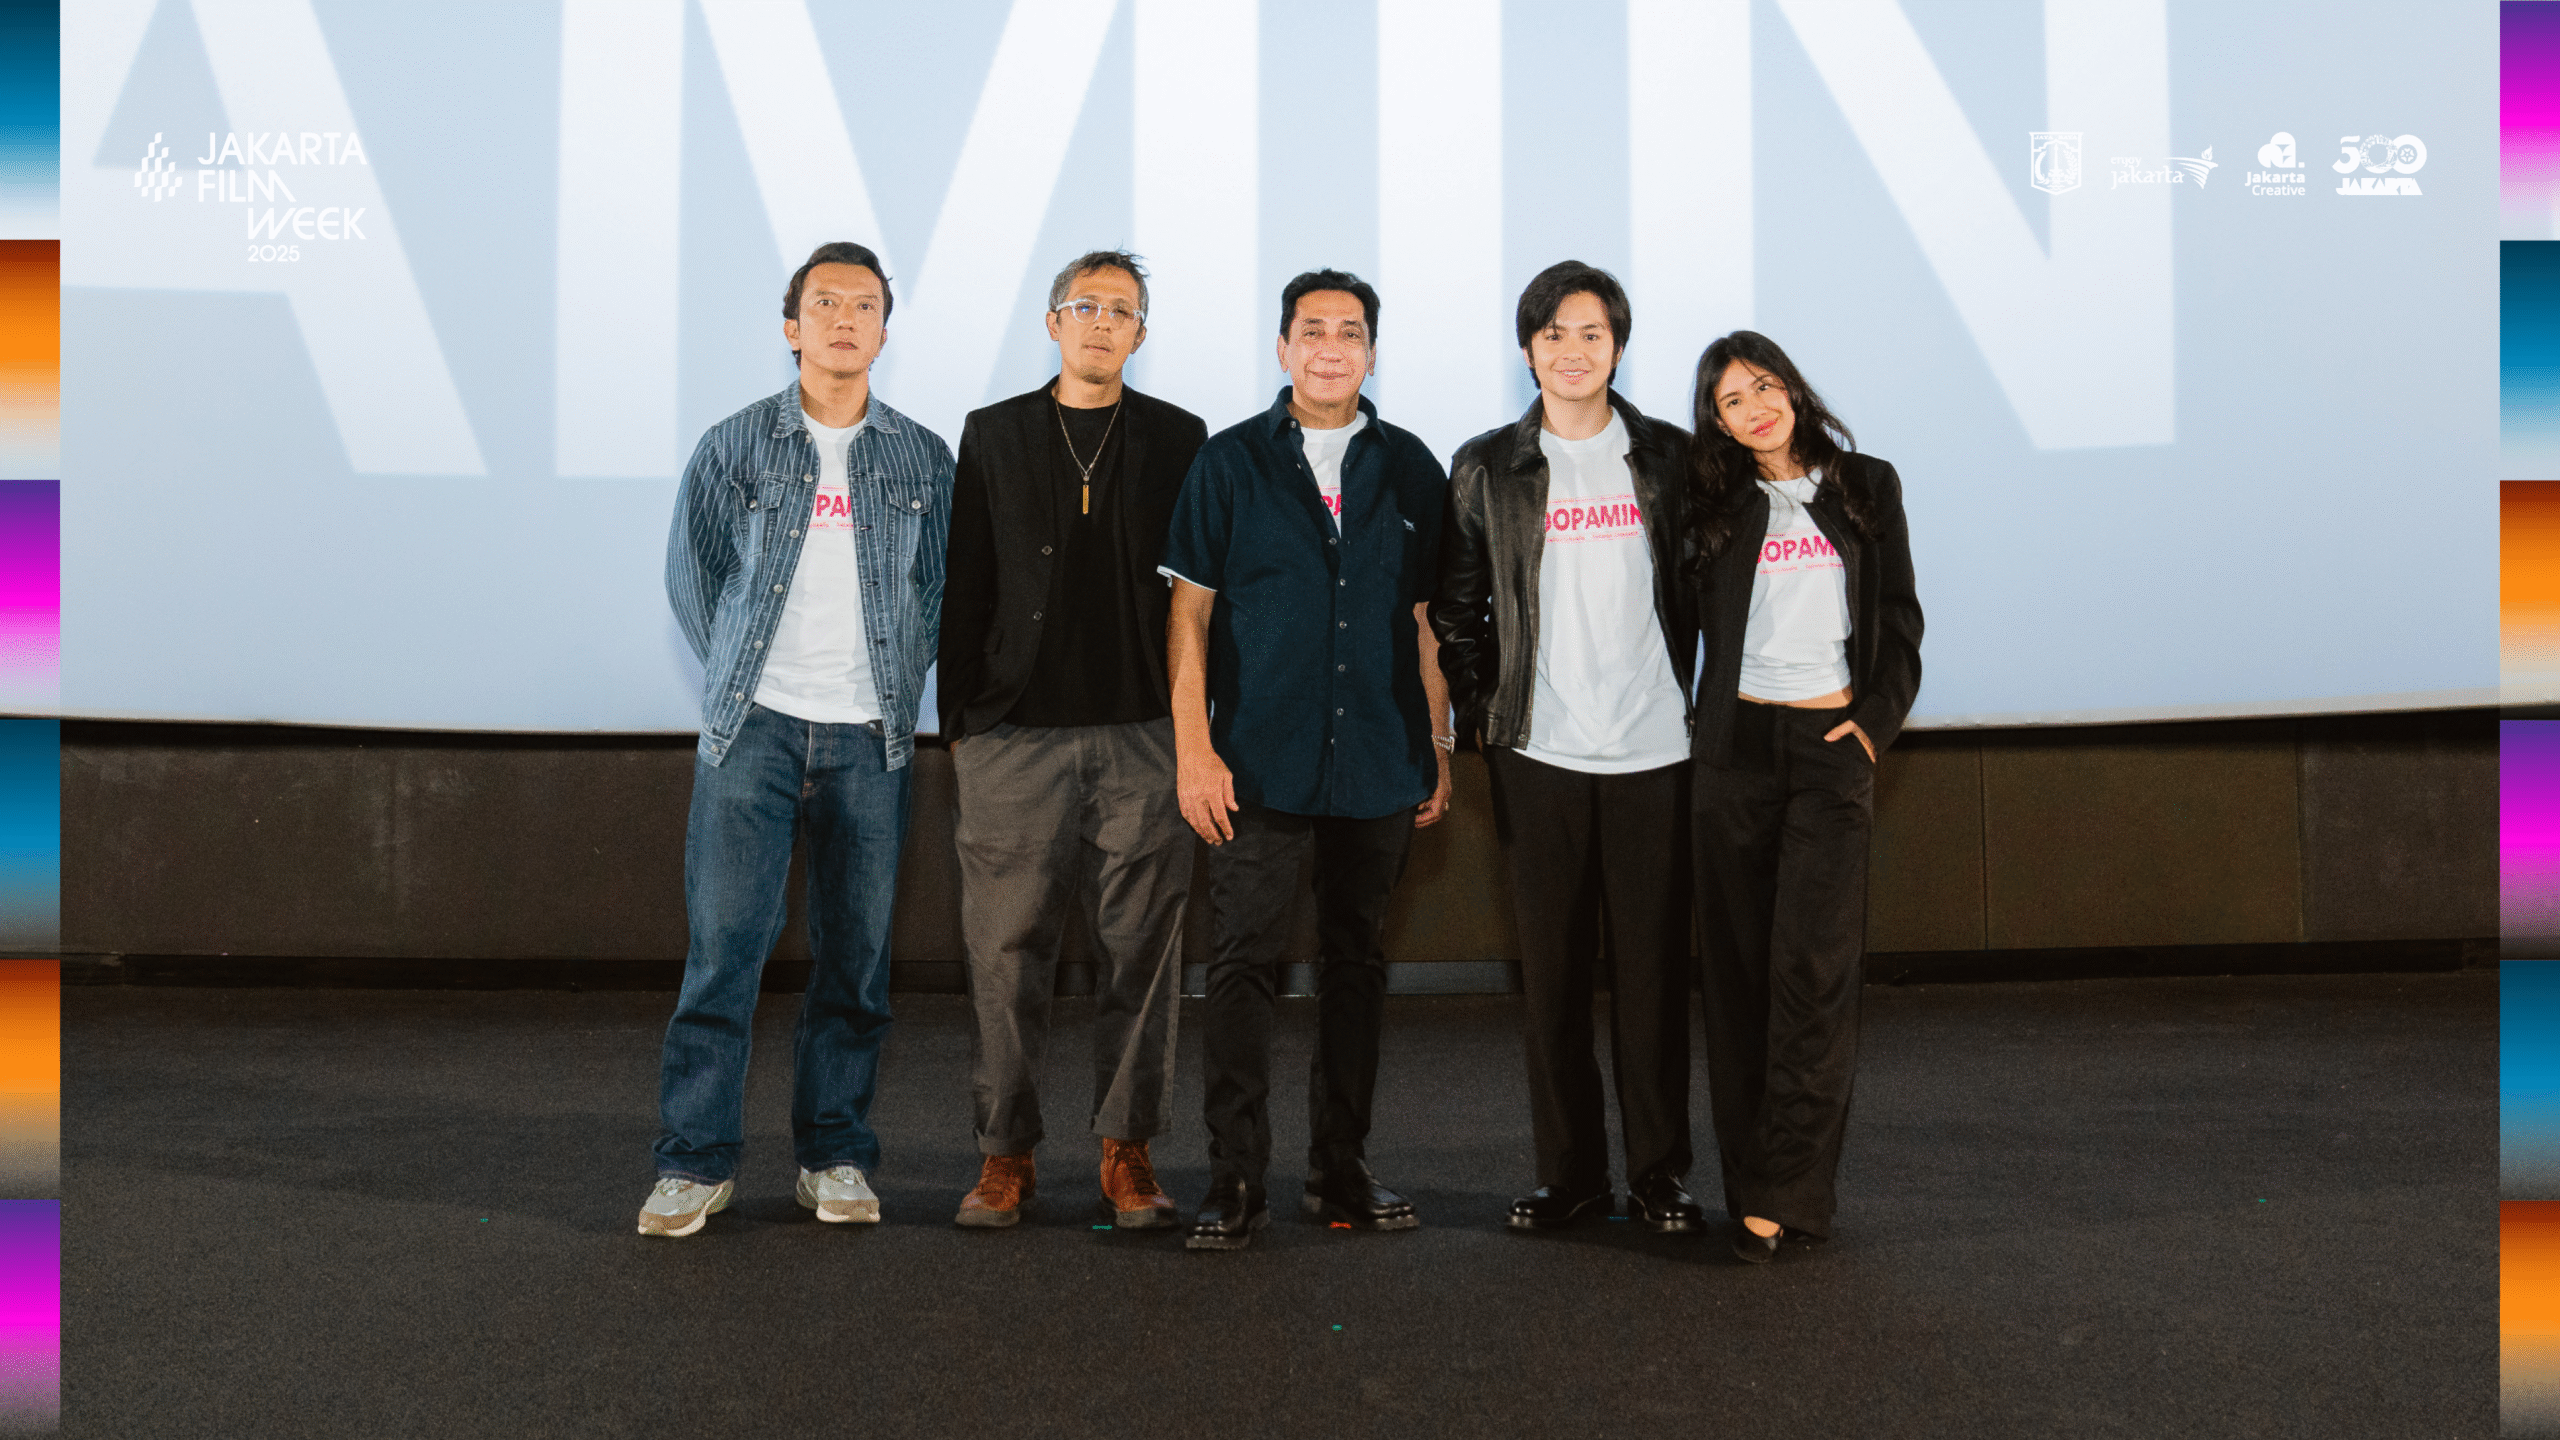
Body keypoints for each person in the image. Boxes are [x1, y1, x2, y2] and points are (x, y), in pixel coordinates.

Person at [641, 241, 954, 1237]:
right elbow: (693, 578)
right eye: (824, 303)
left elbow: (938, 588)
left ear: (885, 332)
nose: (844, 319)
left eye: (864, 305)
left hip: (870, 741)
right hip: (756, 734)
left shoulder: (921, 457)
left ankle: (834, 1155)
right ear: (791, 327)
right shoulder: (733, 445)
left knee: (855, 965)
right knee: (723, 958)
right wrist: (744, 675)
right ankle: (693, 1164)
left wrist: (893, 683)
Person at [1158, 268, 1455, 1251]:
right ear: (1283, 347)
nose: (1332, 347)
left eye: (1351, 332)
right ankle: (1234, 1178)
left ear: (1371, 352)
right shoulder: (1229, 461)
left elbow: (1425, 621)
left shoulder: (1411, 467)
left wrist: (1439, 745)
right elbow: (1190, 614)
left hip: (1379, 755)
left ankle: (1341, 1169)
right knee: (1242, 966)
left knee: (1356, 967)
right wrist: (1194, 749)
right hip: (1255, 761)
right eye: (1313, 330)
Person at [938, 250, 1208, 1230]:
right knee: (1005, 957)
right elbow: (965, 584)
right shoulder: (996, 432)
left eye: (1121, 310)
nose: (1101, 322)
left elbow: (1199, 594)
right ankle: (1003, 1155)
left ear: (1141, 333)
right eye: (1084, 305)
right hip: (1014, 738)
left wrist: (1193, 731)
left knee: (1143, 959)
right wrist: (963, 729)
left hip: (1143, 737)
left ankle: (1126, 1152)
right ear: (1053, 323)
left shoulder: (1179, 438)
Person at [1432, 261, 1702, 1235]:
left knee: (1652, 983)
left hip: (1655, 755)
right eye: (1553, 334)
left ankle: (1660, 1177)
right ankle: (1572, 1176)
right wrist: (1488, 717)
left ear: (1617, 346)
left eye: (1591, 333)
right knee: (1550, 984)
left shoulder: (1672, 460)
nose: (1572, 350)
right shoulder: (1486, 466)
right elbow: (1457, 613)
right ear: (1527, 348)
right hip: (1538, 758)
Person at [1685, 330, 1921, 1262]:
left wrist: (1871, 727)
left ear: (1793, 388)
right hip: (1735, 753)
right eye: (1732, 400)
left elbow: (1899, 619)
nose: (1755, 408)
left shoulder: (1866, 486)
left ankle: (1789, 1191)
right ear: (1716, 422)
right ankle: (1751, 1185)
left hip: (1829, 753)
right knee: (1739, 980)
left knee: (1814, 978)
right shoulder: (1712, 504)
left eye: (1764, 386)